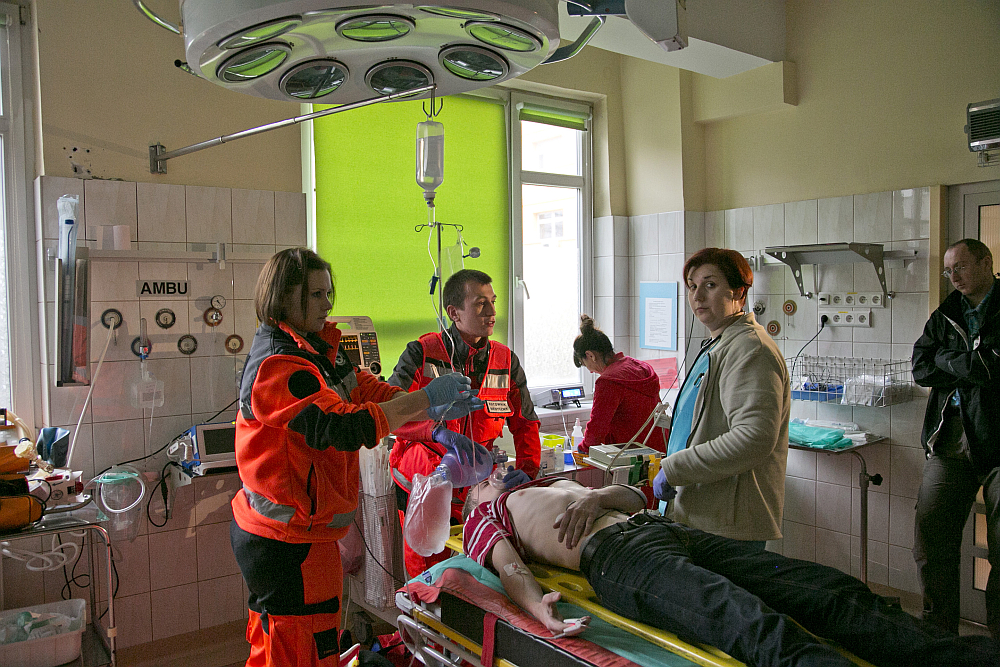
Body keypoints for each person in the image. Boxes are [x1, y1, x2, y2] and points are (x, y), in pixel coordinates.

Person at [229, 248, 479, 667]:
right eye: (316, 295)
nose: (328, 304)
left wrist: (427, 407)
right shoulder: (279, 366)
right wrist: (424, 399)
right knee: (298, 647)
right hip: (285, 541)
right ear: (284, 297)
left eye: (329, 293)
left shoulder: (318, 349)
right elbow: (344, 426)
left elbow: (365, 390)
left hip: (302, 535)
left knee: (295, 641)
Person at [461, 477, 1000, 667]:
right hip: (620, 559)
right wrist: (538, 609)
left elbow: (636, 496)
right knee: (750, 622)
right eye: (481, 479)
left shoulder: (548, 483)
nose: (491, 474)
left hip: (664, 529)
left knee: (826, 590)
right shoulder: (485, 514)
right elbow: (510, 567)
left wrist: (599, 494)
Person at [390, 268, 541, 577]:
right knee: (430, 579)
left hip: (479, 484)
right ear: (454, 313)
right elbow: (390, 414)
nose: (492, 312)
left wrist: (528, 471)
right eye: (480, 303)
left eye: (493, 301)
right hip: (426, 481)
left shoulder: (505, 361)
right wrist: (435, 431)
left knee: (478, 576)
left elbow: (526, 422)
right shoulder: (422, 353)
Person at [652, 247, 790, 544]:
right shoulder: (720, 344)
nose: (698, 296)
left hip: (728, 526)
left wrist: (675, 469)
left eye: (710, 285)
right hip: (704, 517)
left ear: (739, 292)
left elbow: (753, 438)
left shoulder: (751, 349)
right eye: (692, 286)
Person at [912, 237, 1000, 638]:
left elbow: (993, 368)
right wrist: (969, 365)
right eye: (949, 271)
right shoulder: (947, 314)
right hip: (950, 441)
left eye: (960, 267)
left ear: (985, 262)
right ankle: (938, 632)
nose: (953, 277)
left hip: (996, 441)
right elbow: (920, 368)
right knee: (931, 538)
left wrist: (948, 360)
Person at [572, 314, 666, 454]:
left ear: (590, 355)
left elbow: (597, 429)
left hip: (631, 455)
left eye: (585, 364)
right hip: (660, 449)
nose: (590, 371)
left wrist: (583, 449)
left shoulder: (608, 382)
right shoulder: (640, 367)